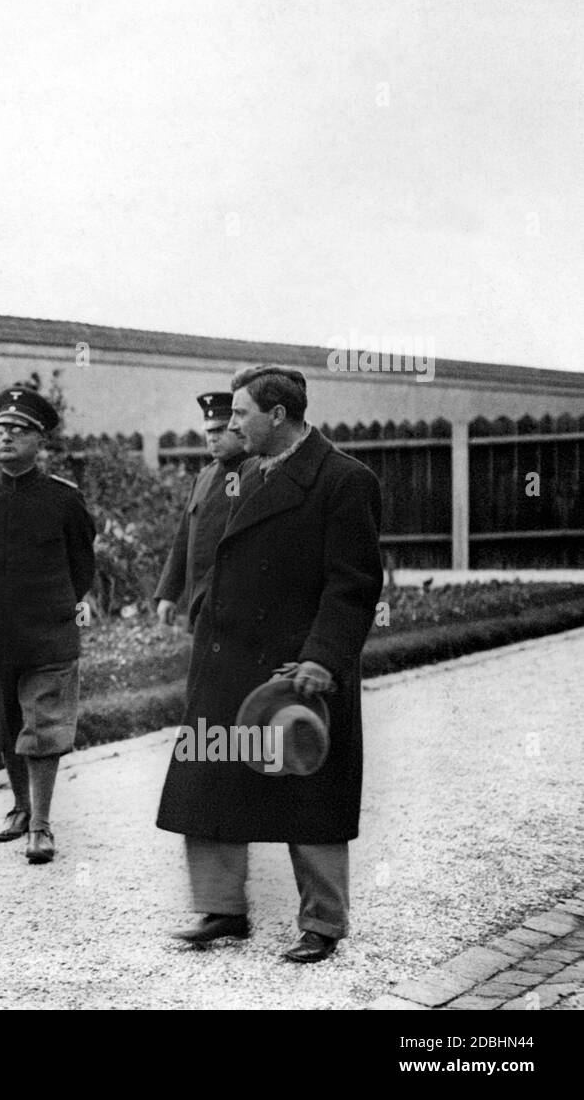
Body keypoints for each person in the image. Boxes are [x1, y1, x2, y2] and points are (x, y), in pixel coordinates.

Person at [156, 364, 382, 963]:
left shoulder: (343, 480)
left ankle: (323, 923)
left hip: (295, 666)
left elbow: (353, 586)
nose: (231, 425)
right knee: (206, 777)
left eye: (240, 414)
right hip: (227, 656)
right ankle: (222, 909)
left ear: (278, 416)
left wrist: (323, 658)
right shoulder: (240, 475)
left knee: (310, 793)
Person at [0, 385, 96, 864]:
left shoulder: (63, 500)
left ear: (41, 443)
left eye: (19, 431)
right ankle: (19, 806)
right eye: (0, 430)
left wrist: (56, 608)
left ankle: (41, 824)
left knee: (43, 728)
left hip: (48, 635)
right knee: (4, 727)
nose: (7, 438)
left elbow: (83, 568)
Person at [153, 391, 248, 632]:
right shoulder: (204, 477)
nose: (213, 439)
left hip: (239, 605)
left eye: (220, 430)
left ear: (238, 429)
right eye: (209, 431)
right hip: (201, 604)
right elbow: (184, 539)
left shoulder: (255, 472)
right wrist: (168, 594)